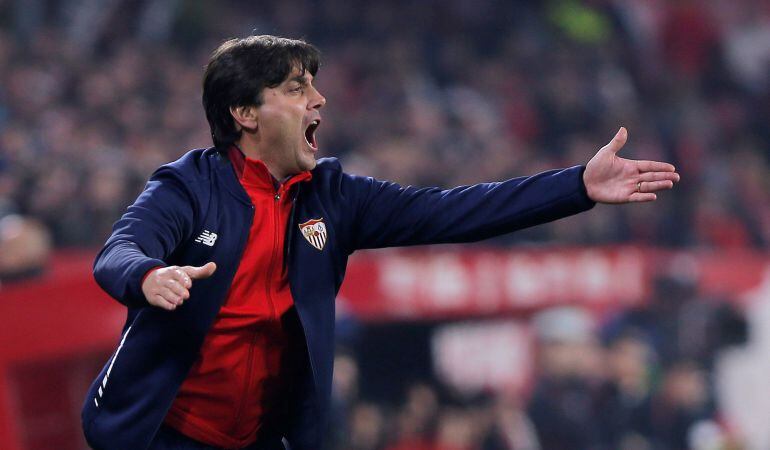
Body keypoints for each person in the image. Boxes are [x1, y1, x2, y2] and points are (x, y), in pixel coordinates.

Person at [80, 35, 680, 450]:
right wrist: (149, 276)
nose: (318, 100)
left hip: (261, 438)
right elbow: (119, 251)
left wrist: (576, 185)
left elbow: (455, 212)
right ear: (244, 112)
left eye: (313, 86)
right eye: (295, 88)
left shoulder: (335, 196)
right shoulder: (187, 186)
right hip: (162, 433)